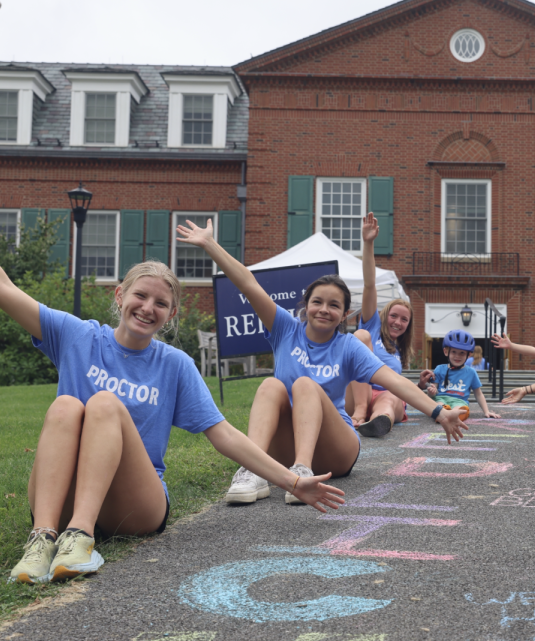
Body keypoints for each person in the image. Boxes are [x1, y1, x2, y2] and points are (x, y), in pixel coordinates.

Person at [0, 160, 347, 585]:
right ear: (119, 296)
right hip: (68, 491)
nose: (147, 308)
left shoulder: (174, 364)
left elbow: (223, 434)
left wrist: (292, 480)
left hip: (137, 504)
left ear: (171, 315)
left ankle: (80, 537)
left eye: (161, 303)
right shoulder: (76, 336)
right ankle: (41, 538)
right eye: (141, 296)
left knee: (103, 404)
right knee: (65, 404)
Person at [175, 216, 466, 506]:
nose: (324, 310)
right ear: (306, 304)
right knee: (270, 385)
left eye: (334, 305)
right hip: (284, 446)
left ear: (344, 314)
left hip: (335, 450)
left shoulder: (348, 346)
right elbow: (249, 285)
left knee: (304, 384)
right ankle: (253, 470)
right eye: (317, 302)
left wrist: (438, 412)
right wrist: (210, 245)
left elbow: (395, 382)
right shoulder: (285, 328)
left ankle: (302, 469)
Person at [345, 214, 413, 438]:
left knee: (391, 396)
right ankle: (361, 411)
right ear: (384, 316)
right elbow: (369, 285)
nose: (398, 322)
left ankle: (377, 423)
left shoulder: (399, 350)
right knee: (360, 335)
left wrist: (422, 385)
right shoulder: (372, 326)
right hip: (356, 397)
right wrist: (368, 243)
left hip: (386, 398)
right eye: (394, 316)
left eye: (404, 320)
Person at [420, 330, 501, 421]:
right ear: (446, 352)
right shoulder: (439, 369)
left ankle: (448, 415)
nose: (457, 356)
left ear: (469, 354)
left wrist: (486, 411)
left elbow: (478, 394)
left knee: (460, 408)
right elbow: (432, 392)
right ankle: (444, 413)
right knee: (438, 404)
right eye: (454, 352)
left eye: (462, 353)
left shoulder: (471, 372)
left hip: (459, 401)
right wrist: (431, 392)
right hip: (440, 398)